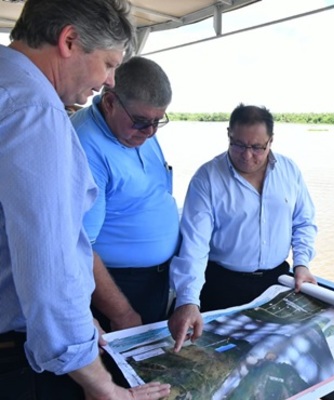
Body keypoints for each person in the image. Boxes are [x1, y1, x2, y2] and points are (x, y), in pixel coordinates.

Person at [0, 1, 170, 399]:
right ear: (70, 40)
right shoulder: (36, 114)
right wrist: (103, 386)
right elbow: (50, 269)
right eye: (109, 64)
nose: (110, 81)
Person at [168, 103, 318, 352]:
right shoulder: (207, 178)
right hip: (221, 285)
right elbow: (195, 246)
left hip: (275, 283)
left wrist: (302, 264)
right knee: (215, 358)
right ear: (228, 134)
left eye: (257, 147)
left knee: (270, 359)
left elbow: (303, 221)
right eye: (238, 145)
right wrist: (188, 299)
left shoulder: (289, 171)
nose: (247, 155)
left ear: (271, 141)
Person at [71, 56, 179, 333]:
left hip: (154, 280)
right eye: (142, 121)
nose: (150, 132)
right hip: (116, 288)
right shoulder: (84, 145)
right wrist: (121, 311)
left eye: (158, 121)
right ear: (109, 102)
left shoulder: (135, 131)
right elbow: (77, 247)